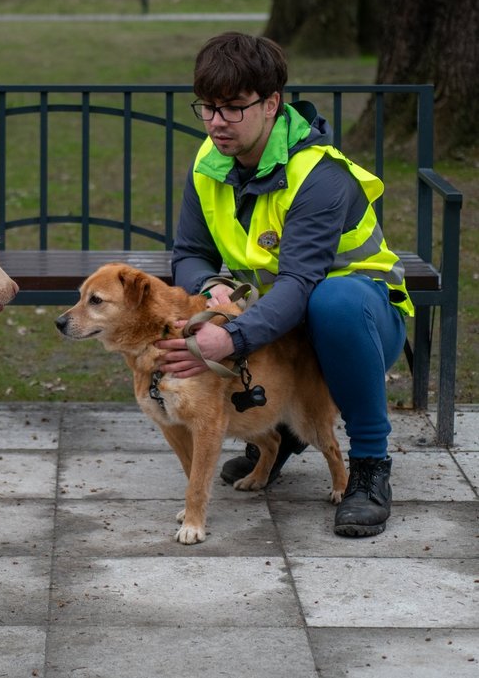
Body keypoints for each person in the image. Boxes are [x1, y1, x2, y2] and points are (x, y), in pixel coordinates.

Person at [155, 32, 412, 537]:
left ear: (271, 103)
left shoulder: (317, 174)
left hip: (362, 322)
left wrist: (230, 337)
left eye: (232, 108)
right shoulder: (209, 162)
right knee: (276, 309)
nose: (216, 123)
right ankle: (285, 428)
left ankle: (369, 466)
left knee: (332, 300)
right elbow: (188, 252)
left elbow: (299, 281)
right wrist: (210, 285)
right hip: (282, 327)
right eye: (206, 108)